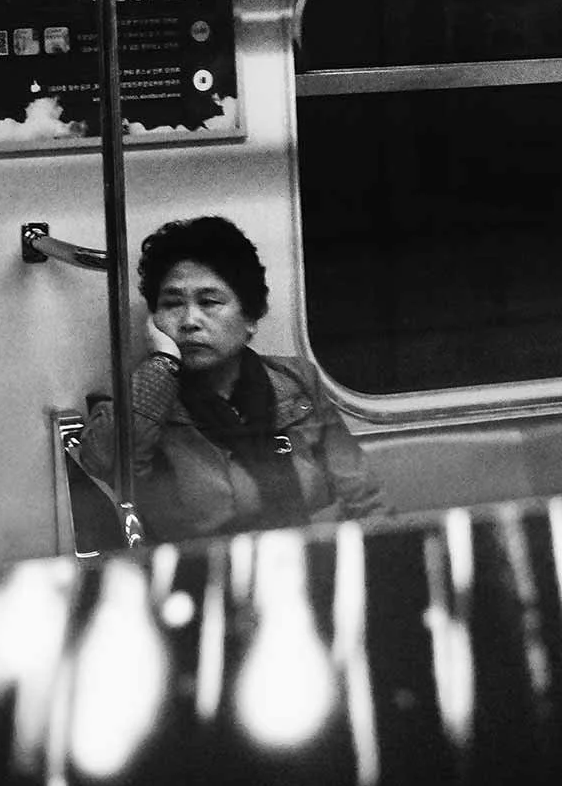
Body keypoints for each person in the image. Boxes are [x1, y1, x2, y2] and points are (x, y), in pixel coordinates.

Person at [78, 216, 386, 543]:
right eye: (171, 304)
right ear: (154, 321)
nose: (189, 321)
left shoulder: (296, 382)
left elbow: (364, 498)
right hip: (202, 575)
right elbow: (104, 463)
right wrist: (163, 364)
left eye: (209, 302)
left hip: (307, 562)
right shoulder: (139, 400)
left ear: (250, 317)